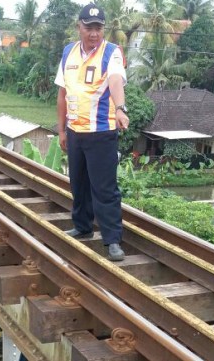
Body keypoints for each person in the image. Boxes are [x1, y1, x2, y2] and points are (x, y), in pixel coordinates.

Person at [55, 3, 129, 261]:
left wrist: (120, 108)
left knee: (105, 188)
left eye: (98, 28)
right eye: (89, 28)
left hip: (101, 132)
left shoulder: (112, 53)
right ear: (80, 27)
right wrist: (62, 129)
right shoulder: (68, 53)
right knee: (79, 183)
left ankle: (112, 241)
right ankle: (83, 226)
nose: (94, 33)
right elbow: (62, 93)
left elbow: (116, 80)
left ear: (103, 29)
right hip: (75, 131)